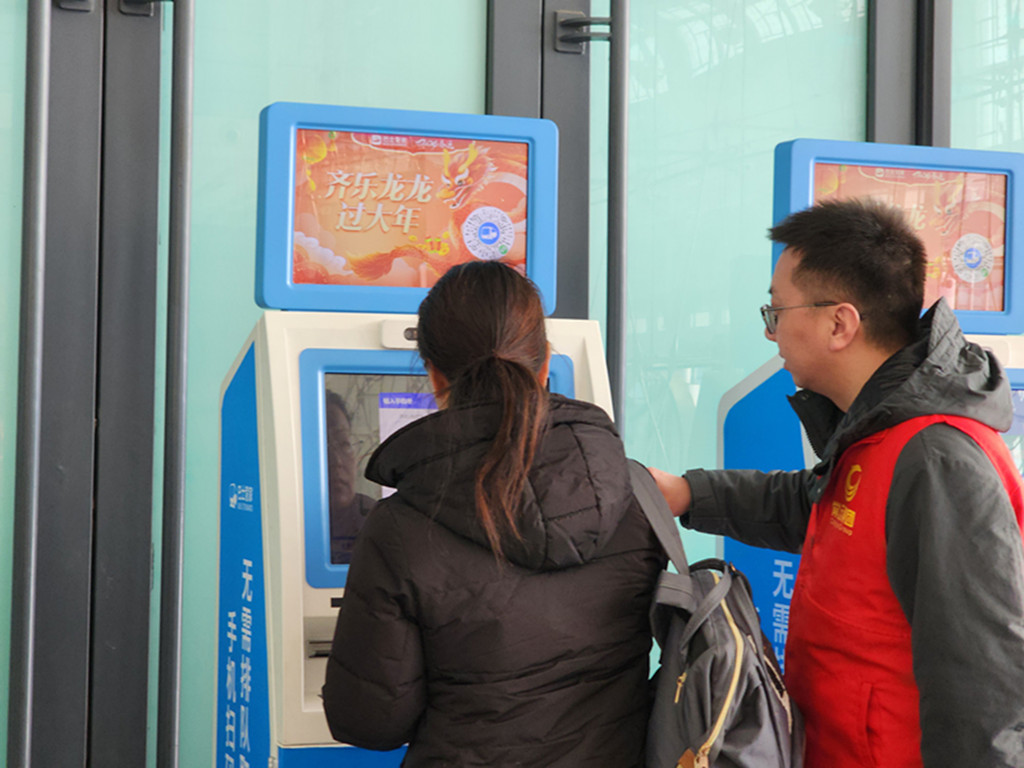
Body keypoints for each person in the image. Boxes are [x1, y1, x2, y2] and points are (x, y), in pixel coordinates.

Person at [649, 198, 1024, 767]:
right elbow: (814, 507)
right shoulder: (878, 430)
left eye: (776, 312)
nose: (771, 333)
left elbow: (984, 684)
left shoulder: (935, 457)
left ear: (839, 323)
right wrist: (687, 493)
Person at [322, 261, 664, 766]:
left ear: (434, 375)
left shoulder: (398, 529)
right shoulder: (632, 495)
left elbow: (370, 721)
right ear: (545, 364)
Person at [324, 390, 375, 563]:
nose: (337, 461)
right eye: (324, 446)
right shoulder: (289, 521)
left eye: (344, 444)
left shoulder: (376, 520)